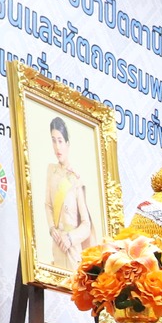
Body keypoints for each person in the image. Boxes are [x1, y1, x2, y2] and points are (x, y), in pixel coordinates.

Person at [45, 116, 96, 271]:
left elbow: (86, 225)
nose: (57, 147)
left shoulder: (75, 178)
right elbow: (48, 205)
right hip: (57, 244)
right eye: (53, 140)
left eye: (60, 141)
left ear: (67, 143)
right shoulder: (51, 171)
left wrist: (70, 238)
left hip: (72, 248)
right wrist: (52, 228)